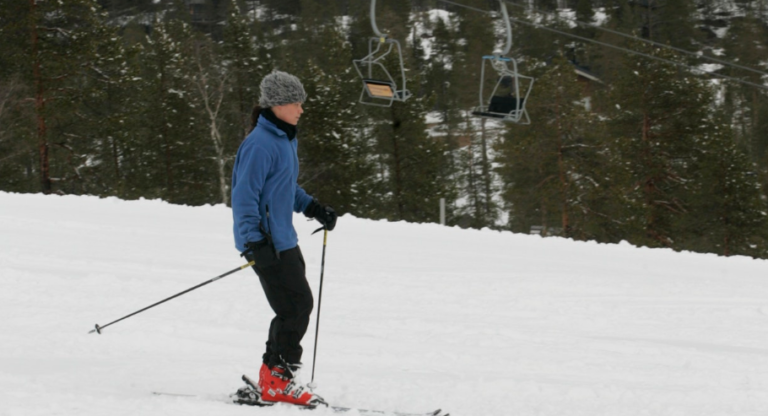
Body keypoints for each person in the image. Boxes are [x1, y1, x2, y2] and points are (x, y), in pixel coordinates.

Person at [231, 70, 337, 407]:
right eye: (296, 103)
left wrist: (312, 206)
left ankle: (274, 375)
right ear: (277, 105)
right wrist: (254, 244)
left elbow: (283, 187)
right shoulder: (259, 145)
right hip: (265, 242)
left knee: (295, 306)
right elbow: (244, 198)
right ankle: (277, 378)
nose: (301, 110)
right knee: (294, 306)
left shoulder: (284, 139)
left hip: (284, 238)